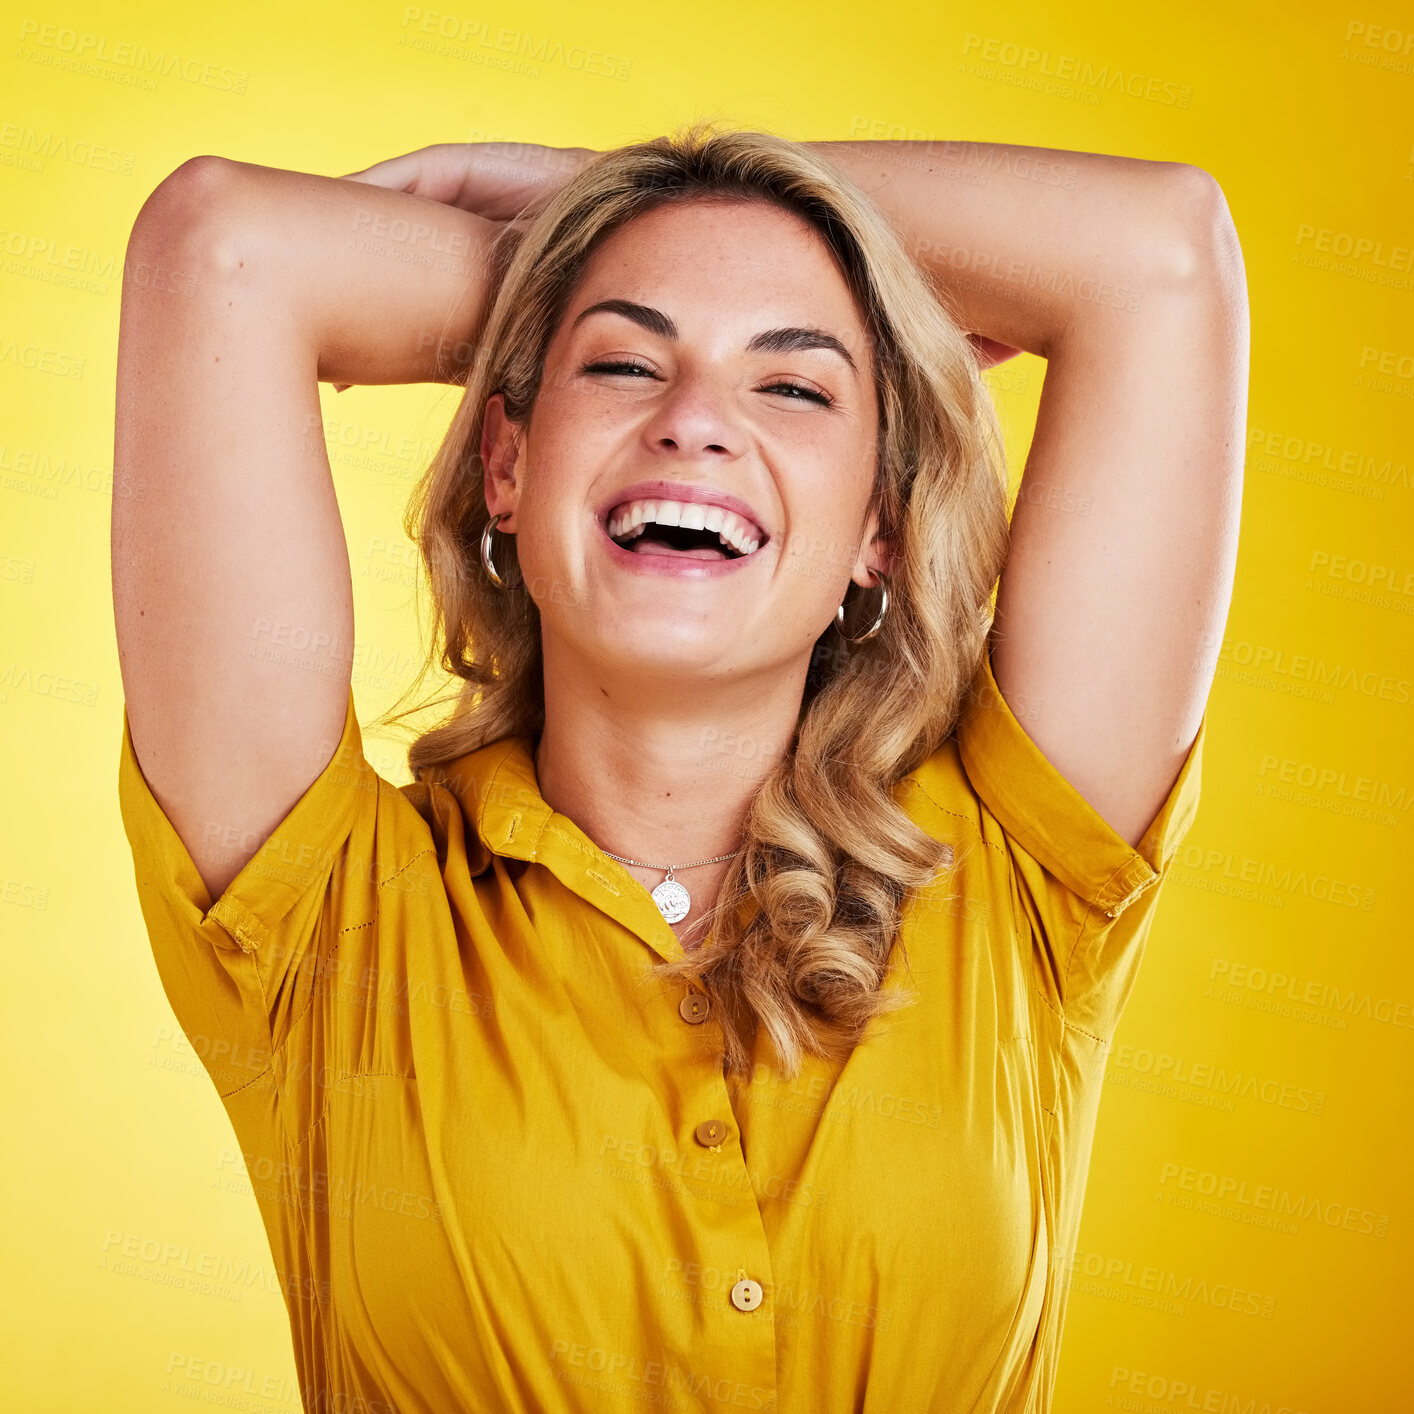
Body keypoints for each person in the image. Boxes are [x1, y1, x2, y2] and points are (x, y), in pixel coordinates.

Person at [113, 122, 1246, 1413]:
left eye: (794, 385)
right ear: (506, 463)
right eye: (622, 361)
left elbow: (1162, 251)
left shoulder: (1012, 871)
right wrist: (623, 223)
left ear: (876, 523)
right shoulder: (330, 918)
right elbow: (225, 250)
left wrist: (628, 210)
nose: (695, 421)